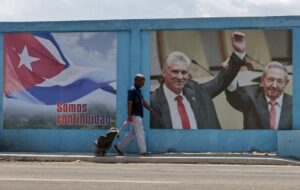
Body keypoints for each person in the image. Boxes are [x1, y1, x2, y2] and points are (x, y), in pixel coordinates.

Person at [150, 32, 246, 129]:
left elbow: (219, 82)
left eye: (184, 73)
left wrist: (238, 53)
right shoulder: (152, 102)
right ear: (163, 72)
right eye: (175, 72)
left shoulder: (195, 90)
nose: (180, 77)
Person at [225, 62, 292, 130]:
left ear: (286, 83)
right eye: (270, 80)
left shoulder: (295, 104)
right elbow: (235, 97)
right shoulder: (251, 96)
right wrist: (231, 74)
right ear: (262, 80)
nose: (274, 85)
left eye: (279, 81)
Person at [114, 73, 155, 156]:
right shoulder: (132, 90)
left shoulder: (138, 90)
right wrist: (129, 115)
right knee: (140, 132)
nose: (143, 83)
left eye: (144, 81)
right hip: (135, 115)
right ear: (136, 80)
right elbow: (129, 103)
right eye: (142, 81)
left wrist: (150, 109)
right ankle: (143, 151)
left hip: (138, 115)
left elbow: (143, 102)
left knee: (133, 133)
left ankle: (119, 146)